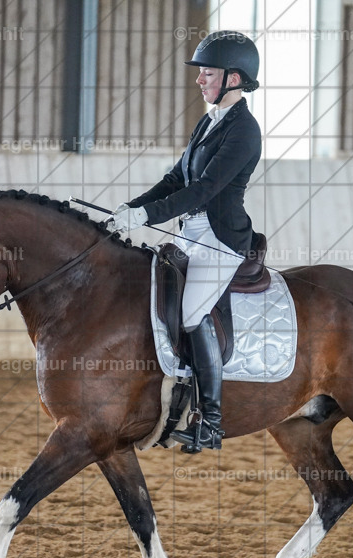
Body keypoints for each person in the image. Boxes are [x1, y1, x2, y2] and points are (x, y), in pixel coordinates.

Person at [112, 30, 261, 452]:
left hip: (221, 239)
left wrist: (147, 216)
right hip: (190, 232)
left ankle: (211, 421)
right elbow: (176, 178)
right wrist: (131, 208)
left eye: (207, 73)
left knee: (192, 313)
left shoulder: (244, 130)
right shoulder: (210, 121)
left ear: (233, 78)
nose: (199, 79)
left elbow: (203, 190)